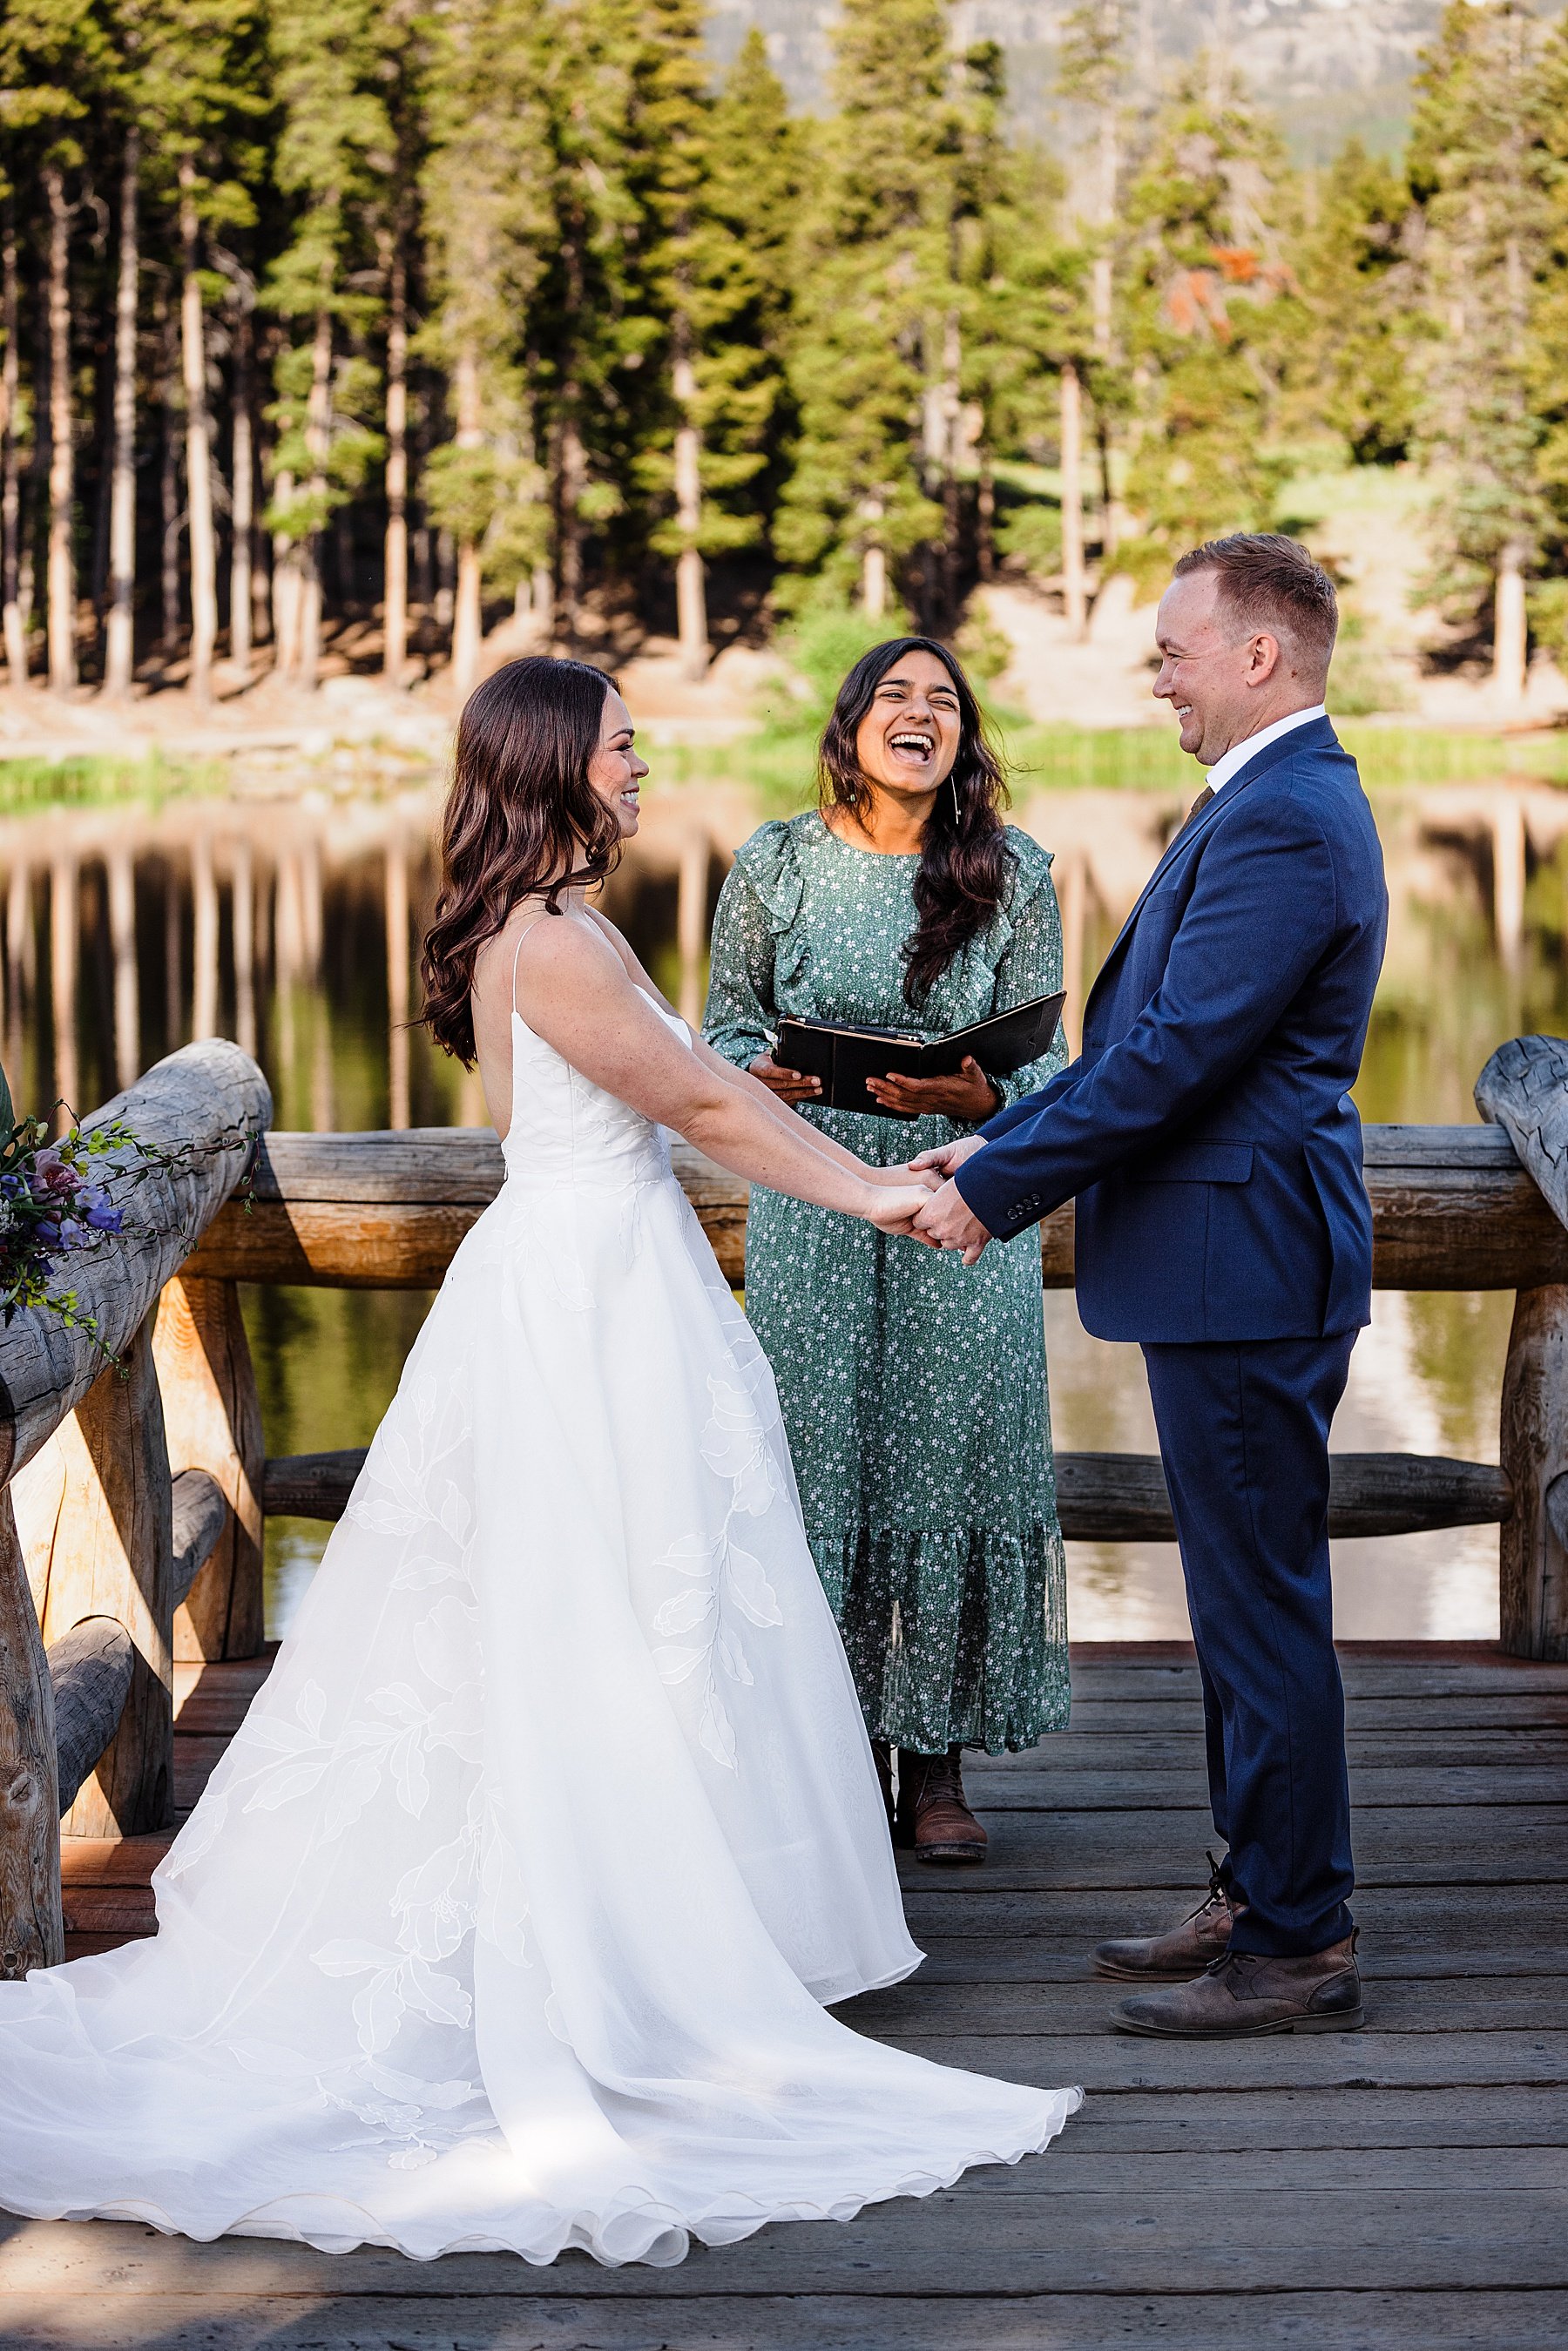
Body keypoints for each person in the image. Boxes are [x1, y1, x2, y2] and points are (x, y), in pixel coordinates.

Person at [0, 656, 1078, 2263]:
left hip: (598, 1280)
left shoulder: (545, 925)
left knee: (620, 1618)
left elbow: (621, 1104)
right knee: (596, 1616)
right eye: (626, 746)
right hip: (587, 1303)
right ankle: (601, 1954)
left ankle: (641, 1921)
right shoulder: (555, 941)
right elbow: (705, 1098)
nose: (645, 768)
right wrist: (880, 1194)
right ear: (557, 762)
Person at [913, 536, 1389, 2040]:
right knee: (1243, 1607)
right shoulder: (1273, 800)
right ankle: (1259, 1885)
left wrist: (992, 1189)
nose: (1158, 673)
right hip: (1228, 1263)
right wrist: (1004, 1137)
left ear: (1262, 655)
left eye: (1176, 648)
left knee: (1260, 1612)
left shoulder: (1291, 820)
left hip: (1244, 1268)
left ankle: (1300, 1941)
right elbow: (1150, 1053)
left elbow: (1179, 1059)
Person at [704, 636, 1069, 1867]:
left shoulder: (1016, 873)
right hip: (814, 1200)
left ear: (963, 738)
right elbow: (722, 1032)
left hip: (963, 1199)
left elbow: (1054, 1072)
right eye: (897, 697)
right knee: (822, 1466)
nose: (921, 715)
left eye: (945, 702)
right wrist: (761, 1074)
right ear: (852, 724)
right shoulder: (774, 862)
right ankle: (842, 1752)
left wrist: (977, 1108)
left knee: (953, 1464)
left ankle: (941, 1765)